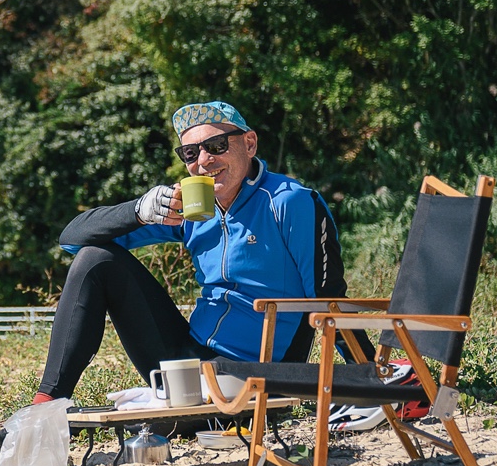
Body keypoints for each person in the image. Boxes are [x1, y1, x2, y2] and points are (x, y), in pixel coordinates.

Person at [32, 100, 345, 406]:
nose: (204, 160)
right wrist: (140, 210)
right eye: (191, 153)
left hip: (253, 375)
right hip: (187, 359)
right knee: (95, 259)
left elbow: (329, 298)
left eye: (217, 145)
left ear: (249, 144)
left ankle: (176, 403)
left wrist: (374, 373)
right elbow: (72, 240)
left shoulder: (288, 202)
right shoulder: (191, 210)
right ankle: (46, 407)